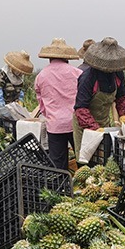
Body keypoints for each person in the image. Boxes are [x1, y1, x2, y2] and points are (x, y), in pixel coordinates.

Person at [72, 37, 125, 160]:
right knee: (86, 161)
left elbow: (121, 97)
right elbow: (80, 108)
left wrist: (124, 114)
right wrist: (94, 128)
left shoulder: (118, 74)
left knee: (105, 158)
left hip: (104, 123)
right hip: (85, 126)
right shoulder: (88, 78)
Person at [35, 38, 82, 169]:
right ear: (67, 58)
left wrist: (49, 114)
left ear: (49, 58)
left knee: (58, 164)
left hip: (55, 125)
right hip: (76, 123)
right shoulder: (77, 73)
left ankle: (61, 188)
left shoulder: (41, 75)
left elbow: (41, 103)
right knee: (82, 160)